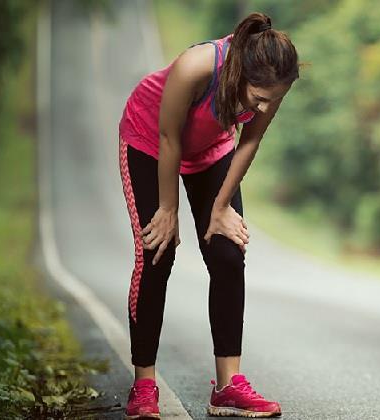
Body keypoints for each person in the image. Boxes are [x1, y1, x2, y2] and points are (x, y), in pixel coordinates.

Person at [117, 12, 299, 419]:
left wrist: (220, 208)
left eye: (275, 98)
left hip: (212, 149)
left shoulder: (273, 80)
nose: (266, 106)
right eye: (259, 98)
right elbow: (169, 137)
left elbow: (249, 142)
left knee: (228, 253)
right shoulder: (197, 66)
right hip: (150, 139)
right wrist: (168, 209)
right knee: (156, 254)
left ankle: (228, 386)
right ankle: (144, 384)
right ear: (241, 73)